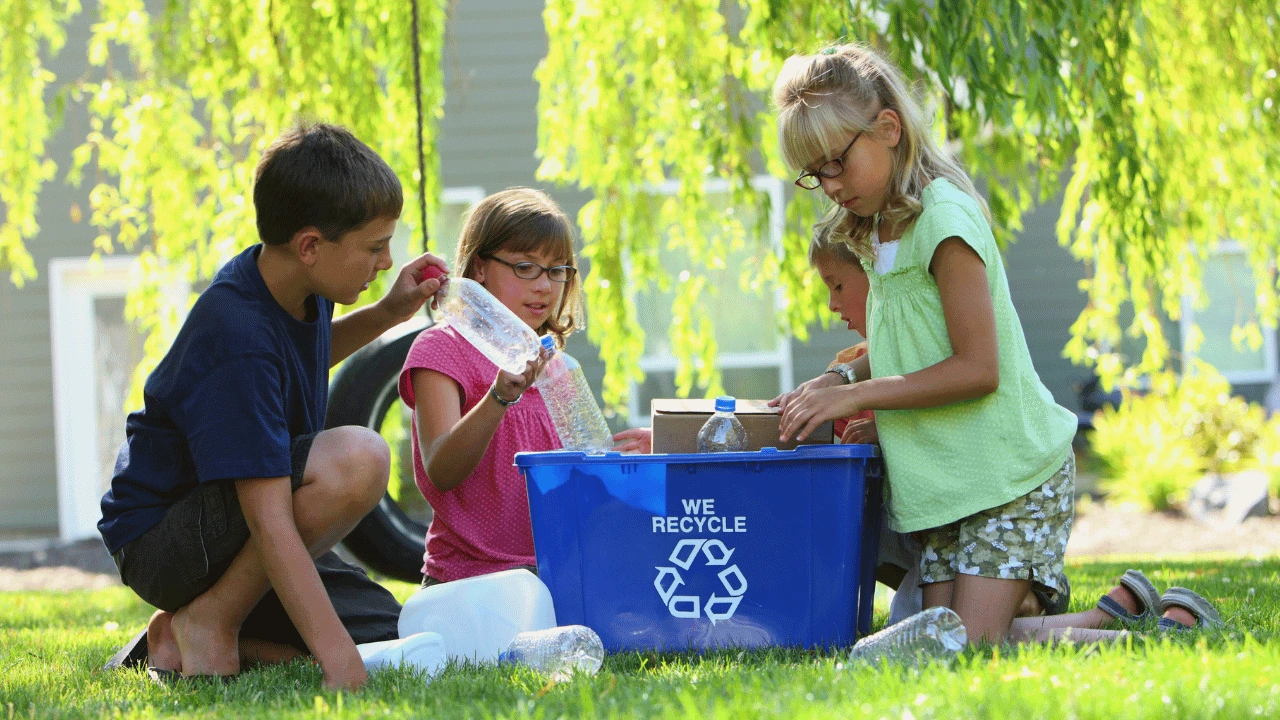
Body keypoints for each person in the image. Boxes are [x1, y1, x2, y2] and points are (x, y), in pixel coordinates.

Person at [771, 45, 1220, 643]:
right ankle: (1110, 621)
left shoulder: (944, 222)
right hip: (946, 488)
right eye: (814, 173)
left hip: (1009, 478)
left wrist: (858, 397)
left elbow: (979, 368)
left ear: (888, 129)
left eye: (836, 162)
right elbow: (911, 344)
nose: (828, 185)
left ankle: (1163, 637)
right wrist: (842, 379)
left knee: (968, 647)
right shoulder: (877, 232)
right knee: (938, 640)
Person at [97, 123, 449, 689]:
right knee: (359, 457)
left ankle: (174, 634)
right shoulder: (237, 331)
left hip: (228, 531)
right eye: (374, 246)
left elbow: (300, 358)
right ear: (310, 245)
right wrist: (341, 666)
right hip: (165, 540)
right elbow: (266, 515)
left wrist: (388, 314)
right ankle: (212, 620)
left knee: (387, 630)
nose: (385, 261)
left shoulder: (291, 285)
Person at [803, 224, 1068, 624]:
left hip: (998, 486)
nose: (831, 304)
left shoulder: (943, 235)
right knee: (939, 634)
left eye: (837, 285)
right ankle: (1022, 600)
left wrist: (867, 406)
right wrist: (845, 382)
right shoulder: (861, 359)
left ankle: (1084, 613)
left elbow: (971, 382)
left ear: (875, 278)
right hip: (940, 509)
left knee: (953, 639)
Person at [400, 187, 649, 588]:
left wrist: (633, 460)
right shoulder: (442, 349)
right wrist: (499, 398)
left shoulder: (559, 367)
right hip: (471, 581)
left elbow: (585, 486)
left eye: (557, 270)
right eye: (525, 267)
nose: (545, 286)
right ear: (480, 268)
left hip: (557, 573)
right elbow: (442, 469)